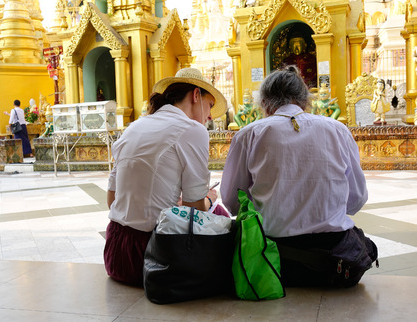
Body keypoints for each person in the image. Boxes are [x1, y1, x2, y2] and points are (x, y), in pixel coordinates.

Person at [221, 66, 377, 287]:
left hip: (271, 258)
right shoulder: (338, 130)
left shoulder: (249, 134)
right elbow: (357, 199)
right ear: (305, 101)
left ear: (264, 103)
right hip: (333, 255)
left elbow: (232, 201)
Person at [104, 68, 227, 286]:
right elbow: (195, 208)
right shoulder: (192, 130)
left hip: (116, 253)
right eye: (209, 105)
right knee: (219, 212)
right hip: (154, 257)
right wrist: (209, 198)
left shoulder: (134, 127)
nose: (209, 116)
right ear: (195, 95)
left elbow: (112, 200)